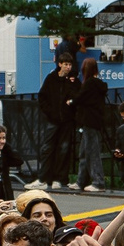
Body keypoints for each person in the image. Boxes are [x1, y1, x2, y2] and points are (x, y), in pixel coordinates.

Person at [31, 53, 79, 191]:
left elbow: (77, 96)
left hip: (66, 120)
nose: (68, 67)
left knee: (63, 149)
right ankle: (44, 177)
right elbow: (42, 96)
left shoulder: (73, 81)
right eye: (65, 64)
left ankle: (59, 178)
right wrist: (50, 112)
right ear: (60, 64)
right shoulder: (51, 78)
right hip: (53, 119)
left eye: (69, 65)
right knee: (48, 148)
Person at [75, 57, 108, 191]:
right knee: (85, 151)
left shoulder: (89, 84)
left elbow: (80, 98)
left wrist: (71, 101)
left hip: (89, 120)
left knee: (91, 152)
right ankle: (81, 181)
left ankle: (98, 182)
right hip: (95, 120)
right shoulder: (98, 85)